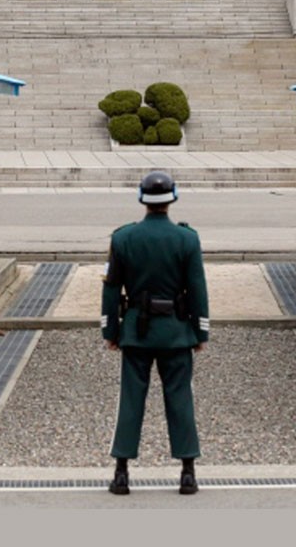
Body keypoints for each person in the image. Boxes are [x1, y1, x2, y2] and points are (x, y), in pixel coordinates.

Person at [101, 171, 209, 495]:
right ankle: (187, 471)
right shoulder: (187, 239)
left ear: (142, 200)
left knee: (131, 400)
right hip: (176, 331)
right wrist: (200, 333)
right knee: (180, 398)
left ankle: (121, 472)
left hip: (136, 331)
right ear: (172, 199)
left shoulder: (123, 238)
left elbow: (110, 288)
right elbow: (198, 289)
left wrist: (111, 329)